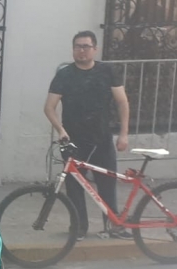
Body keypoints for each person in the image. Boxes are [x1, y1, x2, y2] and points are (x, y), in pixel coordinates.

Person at [44, 30, 131, 240]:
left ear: (95, 49)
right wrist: (60, 130)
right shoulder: (64, 75)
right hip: (73, 138)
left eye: (86, 46)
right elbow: (49, 107)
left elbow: (122, 102)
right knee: (74, 185)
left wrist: (123, 134)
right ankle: (79, 227)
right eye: (77, 47)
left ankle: (113, 225)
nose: (81, 51)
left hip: (102, 136)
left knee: (107, 183)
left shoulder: (107, 71)